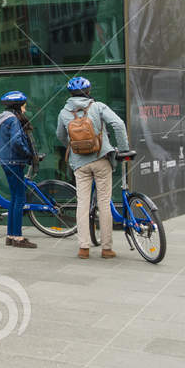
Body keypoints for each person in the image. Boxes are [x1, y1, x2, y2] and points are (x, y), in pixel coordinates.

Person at [56, 75, 130, 260]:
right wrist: (123, 150)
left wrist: (74, 148)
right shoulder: (97, 106)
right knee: (104, 203)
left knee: (82, 203)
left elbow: (60, 136)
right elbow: (118, 125)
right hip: (101, 159)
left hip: (80, 164)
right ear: (88, 92)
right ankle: (106, 249)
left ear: (70, 94)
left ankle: (84, 248)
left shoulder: (64, 112)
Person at [0, 90, 38, 249]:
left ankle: (11, 236)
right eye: (24, 105)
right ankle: (18, 238)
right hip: (14, 161)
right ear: (18, 106)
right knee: (20, 199)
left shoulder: (4, 118)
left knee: (14, 199)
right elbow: (16, 141)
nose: (25, 108)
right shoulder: (13, 119)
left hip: (7, 161)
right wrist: (28, 154)